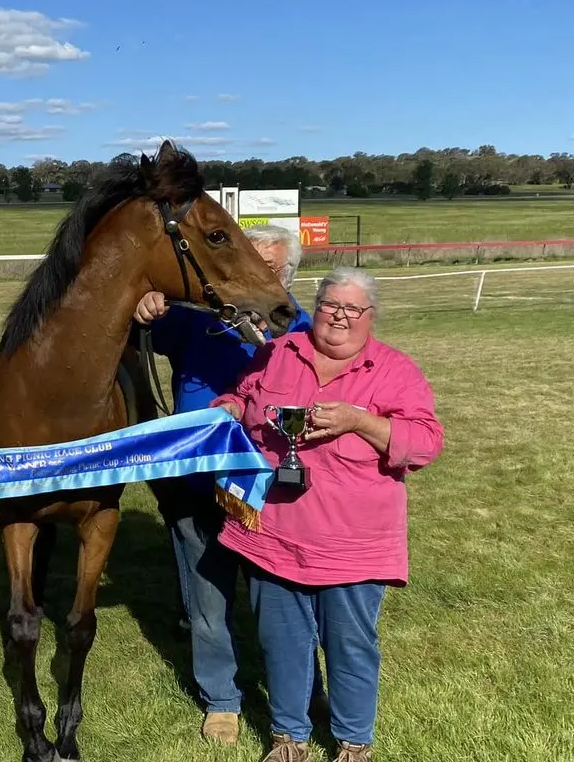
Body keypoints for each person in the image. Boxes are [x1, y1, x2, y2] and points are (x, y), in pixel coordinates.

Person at [210, 267, 445, 762]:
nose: (338, 316)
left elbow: (424, 444)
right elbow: (245, 393)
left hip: (354, 544)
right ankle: (287, 738)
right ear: (314, 309)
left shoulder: (396, 371)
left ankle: (353, 743)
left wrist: (359, 421)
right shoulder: (277, 353)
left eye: (351, 308)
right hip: (275, 535)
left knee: (350, 647)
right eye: (329, 305)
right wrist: (229, 407)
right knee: (281, 643)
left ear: (370, 317)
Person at [134, 222, 312, 745]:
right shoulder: (198, 319)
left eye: (270, 268)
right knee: (207, 591)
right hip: (195, 475)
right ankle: (222, 700)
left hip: (265, 483)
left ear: (286, 275)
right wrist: (147, 307)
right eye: (248, 263)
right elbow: (149, 325)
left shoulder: (300, 328)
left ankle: (303, 686)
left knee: (280, 593)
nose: (256, 275)